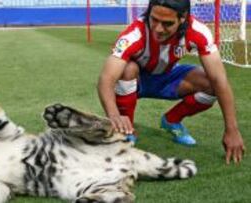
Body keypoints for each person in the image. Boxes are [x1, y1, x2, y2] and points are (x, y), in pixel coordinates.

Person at [97, 0, 245, 164]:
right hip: (137, 81)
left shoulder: (197, 31)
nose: (158, 29)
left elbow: (220, 79)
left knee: (211, 83)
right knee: (127, 69)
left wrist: (232, 129)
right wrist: (113, 115)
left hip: (168, 78)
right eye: (154, 19)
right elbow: (106, 79)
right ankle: (126, 131)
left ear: (183, 19)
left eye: (167, 23)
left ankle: (172, 120)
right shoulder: (135, 34)